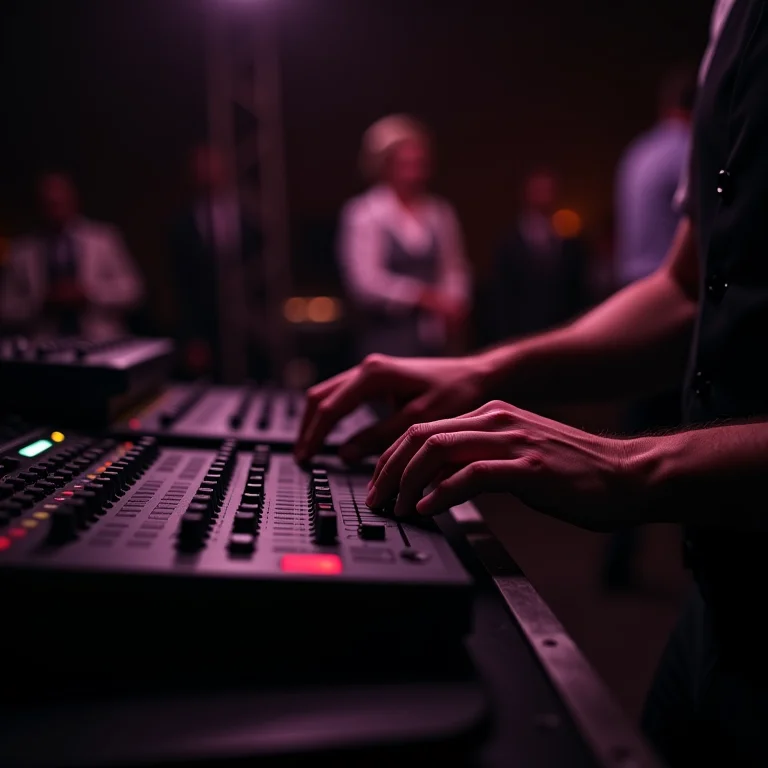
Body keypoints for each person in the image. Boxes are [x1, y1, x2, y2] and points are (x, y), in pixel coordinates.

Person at [296, 0, 768, 763]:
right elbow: (689, 287)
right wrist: (486, 370)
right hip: (718, 598)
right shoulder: (728, 18)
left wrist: (633, 465)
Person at [601, 67, 697, 590]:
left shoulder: (636, 153)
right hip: (673, 307)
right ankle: (702, 566)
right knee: (695, 441)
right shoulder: (690, 150)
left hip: (631, 301)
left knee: (634, 439)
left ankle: (616, 561)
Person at [338, 115, 472, 360]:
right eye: (405, 164)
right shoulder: (365, 213)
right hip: (385, 337)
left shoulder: (439, 212)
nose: (414, 173)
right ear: (385, 165)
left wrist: (454, 301)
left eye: (419, 164)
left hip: (434, 339)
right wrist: (423, 297)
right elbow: (365, 282)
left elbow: (454, 266)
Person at [0, 172, 143, 341]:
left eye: (59, 203)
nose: (54, 210)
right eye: (48, 204)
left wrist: (88, 295)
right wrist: (41, 303)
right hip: (45, 345)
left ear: (73, 200)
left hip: (101, 341)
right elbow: (5, 308)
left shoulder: (103, 239)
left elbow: (134, 290)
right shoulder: (22, 250)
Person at [170, 144, 265, 381]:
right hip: (206, 327)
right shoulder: (182, 224)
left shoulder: (253, 216)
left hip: (254, 323)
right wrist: (191, 338)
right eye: (201, 166)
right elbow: (181, 286)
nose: (207, 172)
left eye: (212, 164)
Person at [480, 168, 589, 345]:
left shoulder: (571, 243)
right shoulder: (508, 243)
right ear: (526, 194)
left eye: (549, 189)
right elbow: (501, 299)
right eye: (539, 190)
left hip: (564, 336)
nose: (544, 196)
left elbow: (580, 292)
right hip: (521, 336)